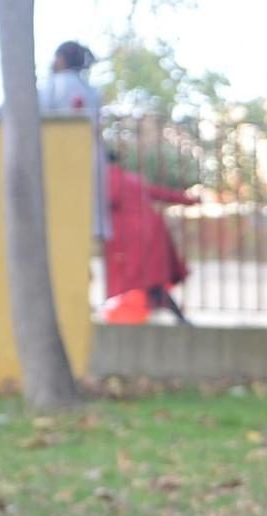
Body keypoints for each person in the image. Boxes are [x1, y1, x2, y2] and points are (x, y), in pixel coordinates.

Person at [103, 154, 195, 325]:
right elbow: (158, 192)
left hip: (132, 235)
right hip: (152, 231)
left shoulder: (106, 179)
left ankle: (172, 317)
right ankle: (173, 316)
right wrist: (189, 200)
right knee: (148, 278)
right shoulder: (129, 178)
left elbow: (109, 199)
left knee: (143, 280)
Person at [39, 40, 108, 244]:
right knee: (85, 220)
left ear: (60, 59)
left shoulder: (52, 86)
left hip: (58, 157)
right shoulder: (92, 91)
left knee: (57, 219)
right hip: (90, 157)